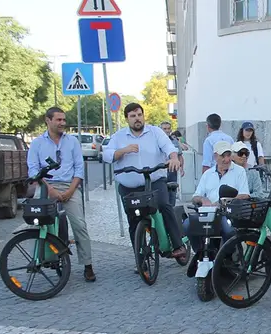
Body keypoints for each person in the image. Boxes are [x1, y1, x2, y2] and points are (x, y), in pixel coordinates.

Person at [104, 102, 187, 260]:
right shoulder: (119, 136)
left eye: (139, 115)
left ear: (143, 116)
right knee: (133, 220)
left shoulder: (155, 132)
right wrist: (123, 151)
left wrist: (174, 158)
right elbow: (106, 155)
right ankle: (140, 258)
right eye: (133, 116)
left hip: (155, 181)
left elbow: (169, 147)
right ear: (127, 119)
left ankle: (178, 245)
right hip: (130, 186)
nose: (137, 119)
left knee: (164, 205)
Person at [26, 106, 96, 282]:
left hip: (69, 186)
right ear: (48, 120)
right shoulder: (37, 143)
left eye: (64, 120)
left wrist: (71, 190)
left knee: (79, 224)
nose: (62, 123)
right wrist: (51, 190)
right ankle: (42, 257)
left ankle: (87, 265)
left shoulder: (72, 142)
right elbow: (33, 170)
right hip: (46, 186)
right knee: (38, 222)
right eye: (58, 120)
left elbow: (79, 169)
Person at [182, 140, 249, 253]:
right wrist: (202, 199)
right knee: (187, 225)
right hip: (208, 213)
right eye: (223, 156)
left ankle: (225, 258)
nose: (226, 159)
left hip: (227, 213)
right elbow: (195, 197)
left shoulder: (239, 171)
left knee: (228, 230)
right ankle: (200, 253)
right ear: (215, 156)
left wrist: (224, 201)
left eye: (228, 155)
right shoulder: (208, 174)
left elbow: (245, 195)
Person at [160, 121, 186, 206]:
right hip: (160, 171)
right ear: (161, 130)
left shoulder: (174, 141)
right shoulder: (156, 141)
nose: (167, 130)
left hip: (172, 171)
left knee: (172, 193)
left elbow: (180, 156)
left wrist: (182, 168)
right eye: (164, 129)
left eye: (168, 128)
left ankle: (172, 209)